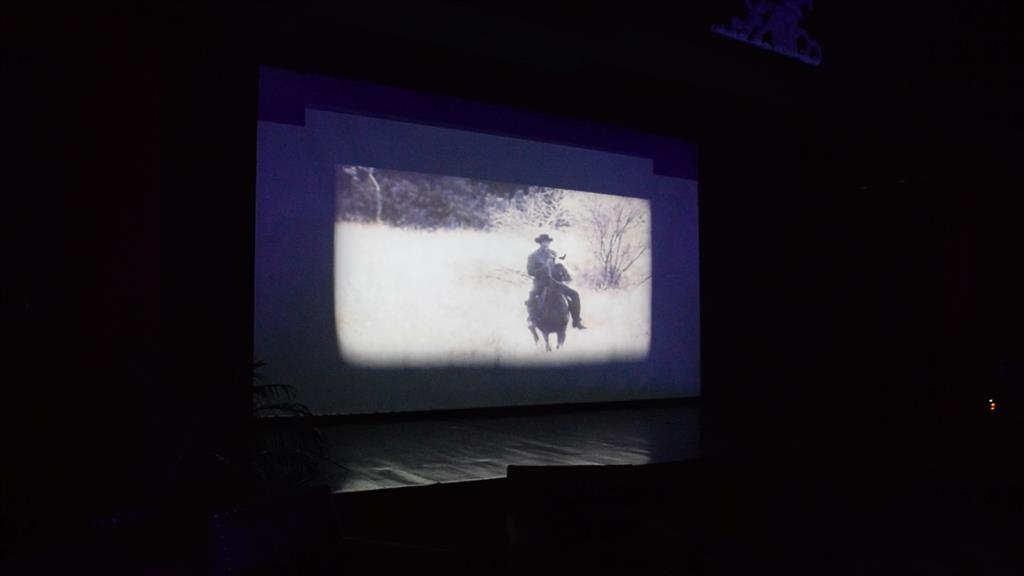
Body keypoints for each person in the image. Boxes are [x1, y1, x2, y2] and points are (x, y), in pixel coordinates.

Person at [527, 234, 586, 329]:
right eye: (543, 242)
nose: (546, 244)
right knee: (532, 297)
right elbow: (530, 272)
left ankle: (576, 320)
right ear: (540, 243)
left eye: (547, 242)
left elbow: (558, 266)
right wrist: (544, 267)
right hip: (540, 283)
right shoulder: (533, 256)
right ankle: (532, 320)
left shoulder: (553, 253)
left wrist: (564, 273)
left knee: (575, 294)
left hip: (555, 282)